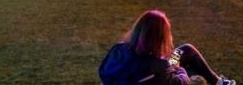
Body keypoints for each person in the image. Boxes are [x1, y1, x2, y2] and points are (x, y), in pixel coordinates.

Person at [99, 10, 235, 85]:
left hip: (139, 73)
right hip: (163, 71)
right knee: (185, 59)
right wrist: (177, 68)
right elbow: (183, 82)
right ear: (159, 38)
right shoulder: (159, 67)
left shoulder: (118, 49)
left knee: (185, 49)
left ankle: (219, 82)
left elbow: (103, 71)